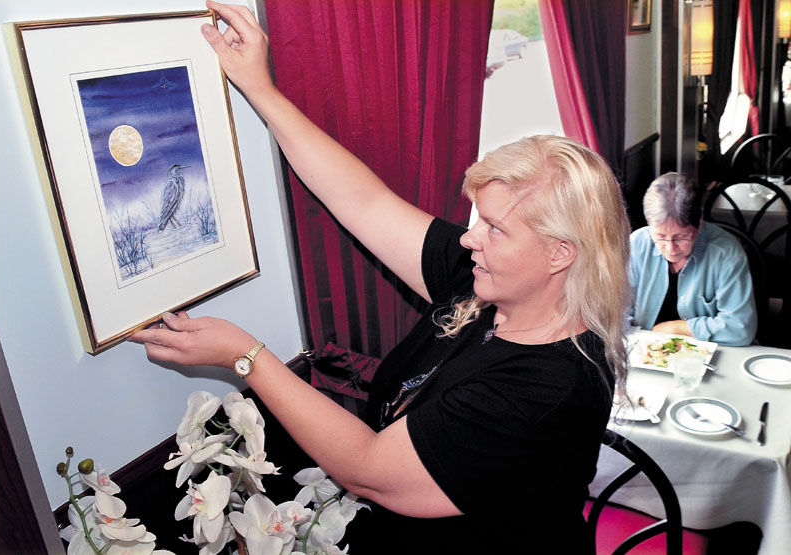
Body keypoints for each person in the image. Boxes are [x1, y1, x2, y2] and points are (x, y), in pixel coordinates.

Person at [131, 2, 632, 552]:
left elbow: (370, 470)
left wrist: (245, 356)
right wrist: (261, 88)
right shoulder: (492, 282)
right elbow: (363, 201)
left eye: (494, 228)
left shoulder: (550, 386)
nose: (469, 240)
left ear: (560, 254)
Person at [628, 172, 757, 346]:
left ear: (699, 223)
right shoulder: (637, 244)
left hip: (710, 355)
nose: (670, 247)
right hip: (645, 351)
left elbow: (740, 328)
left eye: (681, 237)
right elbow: (617, 311)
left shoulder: (727, 253)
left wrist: (677, 328)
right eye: (660, 236)